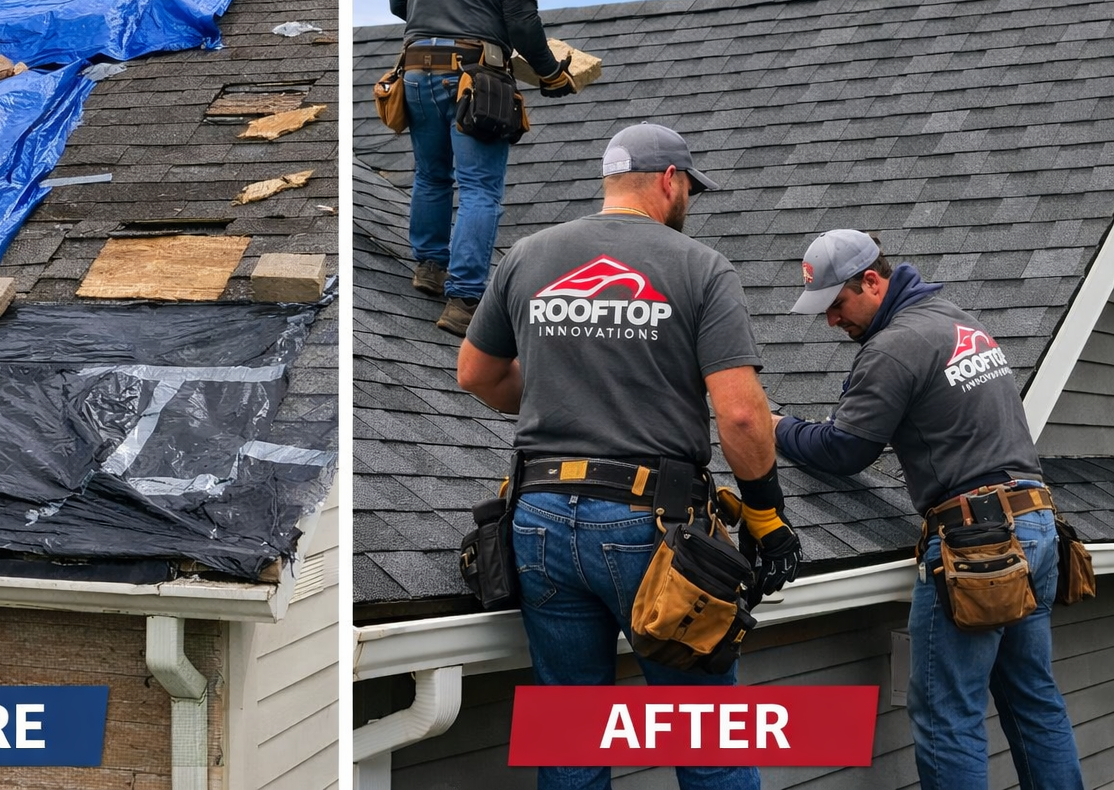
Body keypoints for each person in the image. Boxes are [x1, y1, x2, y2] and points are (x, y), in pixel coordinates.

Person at [458, 123, 801, 790]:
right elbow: (738, 411)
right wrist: (766, 515)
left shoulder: (529, 255)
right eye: (689, 189)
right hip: (651, 528)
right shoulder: (697, 267)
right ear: (670, 180)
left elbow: (474, 373)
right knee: (708, 738)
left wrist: (560, 398)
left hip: (538, 521)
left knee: (570, 734)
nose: (689, 202)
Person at [774, 229, 1082, 790]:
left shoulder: (895, 345)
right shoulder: (956, 319)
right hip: (1036, 526)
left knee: (946, 716)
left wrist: (779, 429)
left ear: (872, 280)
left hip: (977, 545)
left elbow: (845, 449)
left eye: (837, 306)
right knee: (1034, 703)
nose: (832, 323)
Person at [390, 0, 579, 337]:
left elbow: (398, 3)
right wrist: (550, 73)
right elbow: (520, 17)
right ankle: (463, 300)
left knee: (432, 174)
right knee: (480, 189)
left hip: (415, 70)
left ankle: (428, 269)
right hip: (475, 77)